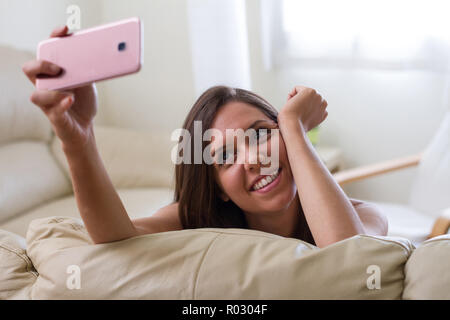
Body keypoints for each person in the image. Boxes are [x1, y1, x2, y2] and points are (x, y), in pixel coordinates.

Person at [22, 26, 388, 248]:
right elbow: (115, 237)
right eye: (225, 157)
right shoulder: (200, 217)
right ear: (217, 188)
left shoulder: (362, 215)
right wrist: (78, 137)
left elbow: (350, 254)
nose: (254, 158)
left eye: (261, 135)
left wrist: (293, 127)